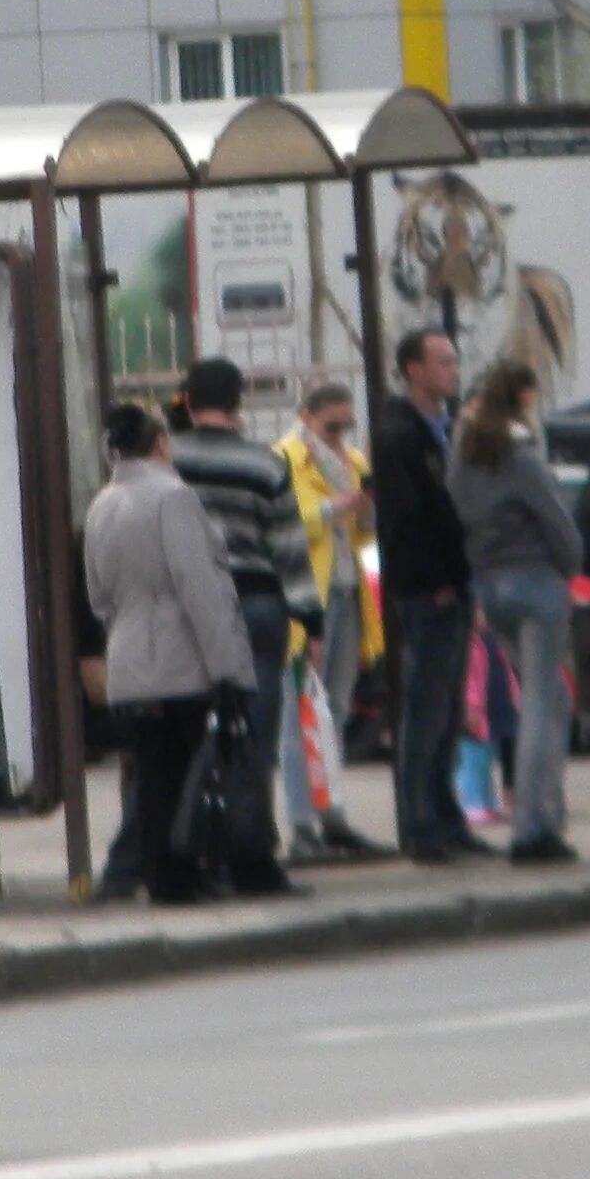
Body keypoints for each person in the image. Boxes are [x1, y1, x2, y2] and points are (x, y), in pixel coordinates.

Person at [82, 402, 259, 904]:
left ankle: (162, 879)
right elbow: (200, 591)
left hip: (130, 662)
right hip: (185, 662)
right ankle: (199, 869)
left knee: (154, 778)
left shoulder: (102, 504)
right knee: (196, 773)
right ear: (161, 443)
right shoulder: (173, 499)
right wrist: (229, 667)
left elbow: (98, 596)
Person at [168, 357, 314, 893]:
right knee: (253, 735)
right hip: (254, 606)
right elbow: (289, 549)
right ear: (239, 403)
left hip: (184, 609)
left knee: (185, 735)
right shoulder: (266, 465)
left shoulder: (169, 462)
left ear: (185, 400)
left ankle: (190, 851)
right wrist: (307, 613)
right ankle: (251, 856)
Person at [445, 358, 580, 865]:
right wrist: (571, 565)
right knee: (542, 705)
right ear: (524, 397)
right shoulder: (522, 456)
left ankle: (546, 816)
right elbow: (557, 521)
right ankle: (533, 828)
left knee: (549, 701)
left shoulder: (464, 457)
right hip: (536, 583)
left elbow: (458, 520)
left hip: (490, 586)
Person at [372, 327, 489, 864]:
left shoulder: (443, 426)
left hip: (458, 584)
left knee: (446, 711)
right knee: (426, 708)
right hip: (430, 591)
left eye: (453, 360)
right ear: (413, 369)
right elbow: (409, 520)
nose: (452, 369)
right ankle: (421, 823)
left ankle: (448, 816)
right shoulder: (400, 435)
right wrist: (435, 582)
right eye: (441, 361)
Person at [272, 380, 393, 863]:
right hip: (307, 599)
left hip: (349, 590)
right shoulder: (283, 459)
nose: (340, 435)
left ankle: (332, 815)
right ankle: (303, 825)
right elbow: (280, 523)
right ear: (306, 417)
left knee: (335, 709)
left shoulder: (354, 463)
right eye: (331, 426)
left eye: (347, 425)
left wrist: (366, 514)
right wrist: (329, 509)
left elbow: (369, 534)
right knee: (298, 713)